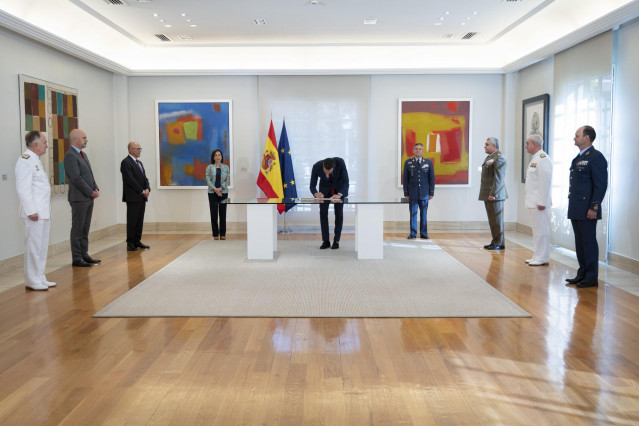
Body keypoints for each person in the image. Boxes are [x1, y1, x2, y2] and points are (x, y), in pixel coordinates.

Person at [565, 125, 608, 288]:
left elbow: (600, 185)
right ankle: (582, 272)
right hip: (576, 207)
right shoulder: (578, 158)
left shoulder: (596, 157)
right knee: (580, 242)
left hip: (588, 209)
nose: (574, 138)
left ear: (587, 138)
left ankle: (591, 276)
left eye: (577, 135)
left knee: (588, 242)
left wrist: (594, 207)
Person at [15, 131, 55, 290]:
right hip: (34, 213)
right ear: (36, 144)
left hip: (43, 212)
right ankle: (31, 280)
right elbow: (23, 189)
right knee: (33, 247)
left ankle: (39, 276)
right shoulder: (25, 160)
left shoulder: (35, 160)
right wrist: (31, 210)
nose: (47, 146)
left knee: (42, 246)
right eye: (45, 143)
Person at [64, 128, 101, 267]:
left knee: (85, 228)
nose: (86, 140)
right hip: (79, 198)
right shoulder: (70, 155)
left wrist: (95, 187)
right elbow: (76, 178)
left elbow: (89, 175)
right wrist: (89, 192)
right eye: (84, 138)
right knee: (78, 229)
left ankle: (84, 254)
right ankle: (77, 258)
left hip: (88, 197)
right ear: (75, 140)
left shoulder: (82, 154)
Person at [524, 134, 553, 266]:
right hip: (533, 202)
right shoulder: (536, 158)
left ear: (535, 145)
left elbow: (545, 182)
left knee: (542, 231)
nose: (526, 146)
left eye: (527, 143)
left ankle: (543, 257)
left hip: (539, 203)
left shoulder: (543, 159)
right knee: (536, 231)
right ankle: (537, 255)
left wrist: (542, 202)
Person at [310, 157, 349, 249]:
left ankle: (336, 241)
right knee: (323, 214)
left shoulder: (340, 163)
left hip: (338, 190)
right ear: (323, 166)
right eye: (325, 172)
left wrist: (339, 194)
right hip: (324, 191)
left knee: (339, 215)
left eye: (329, 172)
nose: (327, 174)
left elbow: (345, 182)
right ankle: (326, 241)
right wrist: (316, 194)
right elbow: (312, 185)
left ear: (334, 167)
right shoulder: (316, 166)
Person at [479, 137, 508, 250]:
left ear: (494, 146)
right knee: (492, 221)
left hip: (495, 195)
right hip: (489, 194)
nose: (484, 146)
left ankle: (499, 243)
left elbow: (499, 178)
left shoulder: (499, 158)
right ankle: (495, 241)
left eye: (487, 144)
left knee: (497, 220)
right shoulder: (490, 157)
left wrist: (493, 193)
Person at [121, 142, 150, 251]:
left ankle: (137, 241)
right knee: (132, 220)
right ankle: (130, 243)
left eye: (140, 148)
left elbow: (144, 178)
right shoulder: (126, 162)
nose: (140, 150)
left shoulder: (139, 163)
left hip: (142, 196)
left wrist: (147, 188)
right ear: (130, 149)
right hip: (133, 197)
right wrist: (142, 190)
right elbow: (130, 180)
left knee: (139, 220)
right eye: (138, 149)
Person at [403, 143, 435, 239]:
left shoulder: (428, 162)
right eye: (416, 149)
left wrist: (431, 192)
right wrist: (406, 192)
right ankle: (413, 233)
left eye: (420, 149)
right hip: (412, 193)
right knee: (413, 214)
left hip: (424, 193)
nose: (418, 150)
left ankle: (424, 233)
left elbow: (431, 179)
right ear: (413, 151)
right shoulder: (408, 162)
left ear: (422, 151)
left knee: (424, 214)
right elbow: (405, 179)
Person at [205, 149, 230, 240]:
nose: (218, 157)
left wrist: (221, 188)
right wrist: (215, 189)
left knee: (223, 214)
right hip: (212, 193)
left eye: (219, 155)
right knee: (214, 214)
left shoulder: (226, 168)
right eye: (216, 155)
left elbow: (228, 179)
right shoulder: (209, 167)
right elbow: (208, 180)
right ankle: (215, 234)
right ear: (213, 157)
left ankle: (223, 234)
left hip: (224, 193)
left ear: (221, 156)